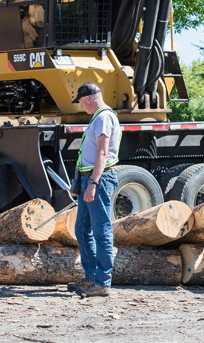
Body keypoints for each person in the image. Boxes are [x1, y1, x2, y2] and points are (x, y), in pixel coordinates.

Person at [68, 82, 121, 297]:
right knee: (82, 229)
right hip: (87, 178)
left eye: (81, 102)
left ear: (88, 98)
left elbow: (102, 153)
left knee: (101, 231)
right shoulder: (98, 117)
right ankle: (91, 278)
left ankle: (101, 283)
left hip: (96, 179)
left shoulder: (103, 118)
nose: (81, 106)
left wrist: (93, 183)